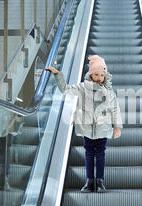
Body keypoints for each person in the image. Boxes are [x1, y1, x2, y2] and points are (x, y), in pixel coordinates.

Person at [46, 55, 123, 192]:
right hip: (87, 128)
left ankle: (99, 181)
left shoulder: (109, 92)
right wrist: (58, 75)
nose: (99, 77)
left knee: (100, 154)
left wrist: (117, 126)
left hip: (102, 129)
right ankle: (89, 181)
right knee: (88, 154)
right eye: (96, 74)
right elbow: (65, 89)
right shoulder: (82, 88)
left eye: (101, 75)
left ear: (105, 75)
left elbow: (115, 108)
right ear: (90, 74)